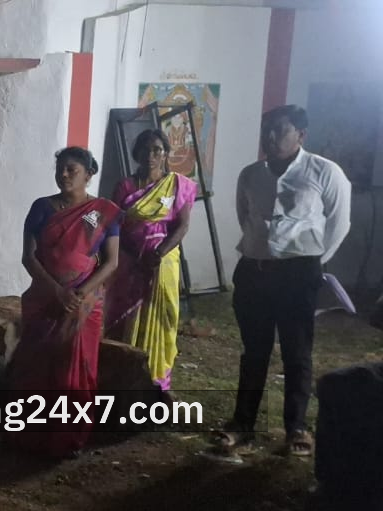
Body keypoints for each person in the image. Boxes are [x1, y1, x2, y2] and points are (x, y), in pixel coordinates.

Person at [215, 104, 351, 457]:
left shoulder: (324, 172)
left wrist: (310, 259)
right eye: (266, 130)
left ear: (301, 135)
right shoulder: (251, 174)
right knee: (254, 351)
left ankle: (297, 427)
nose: (270, 137)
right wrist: (264, 252)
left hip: (298, 273)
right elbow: (245, 217)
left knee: (296, 351)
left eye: (280, 130)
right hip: (255, 272)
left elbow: (339, 223)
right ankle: (242, 424)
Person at [10, 147, 122, 458]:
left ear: (89, 174)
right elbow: (29, 257)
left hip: (85, 302)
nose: (64, 174)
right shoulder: (41, 208)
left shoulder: (105, 212)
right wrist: (57, 292)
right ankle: (30, 435)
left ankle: (70, 438)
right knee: (36, 364)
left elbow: (111, 262)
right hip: (45, 299)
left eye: (72, 169)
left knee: (77, 368)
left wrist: (81, 293)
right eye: (60, 168)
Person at [105, 129, 198, 395]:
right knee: (124, 317)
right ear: (137, 153)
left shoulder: (178, 185)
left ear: (166, 153)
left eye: (157, 149)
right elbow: (114, 224)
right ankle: (123, 374)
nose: (151, 155)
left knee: (161, 318)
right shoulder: (125, 186)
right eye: (145, 149)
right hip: (129, 263)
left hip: (163, 263)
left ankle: (157, 380)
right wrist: (134, 255)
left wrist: (158, 253)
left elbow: (182, 225)